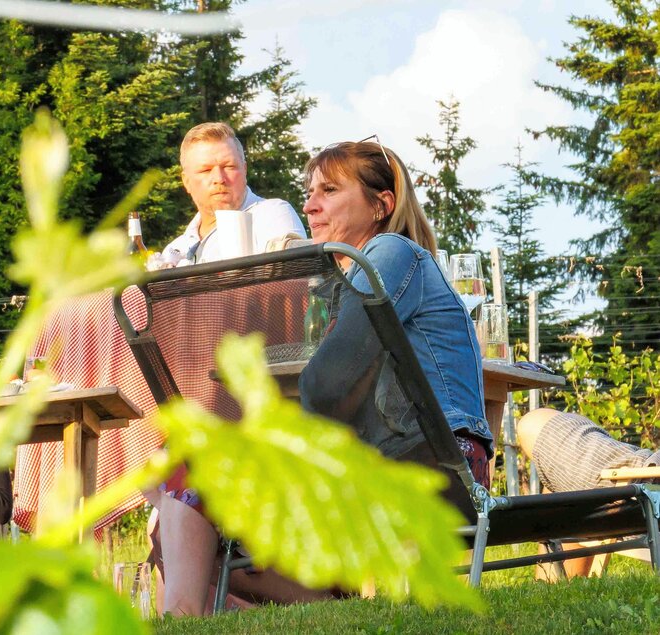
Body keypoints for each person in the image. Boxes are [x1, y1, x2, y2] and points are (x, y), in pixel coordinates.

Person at [153, 139, 492, 616]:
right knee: (187, 492)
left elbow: (325, 387)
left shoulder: (391, 254)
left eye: (329, 190)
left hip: (432, 463)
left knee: (198, 474)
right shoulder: (344, 281)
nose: (310, 205)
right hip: (391, 462)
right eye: (309, 191)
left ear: (382, 204)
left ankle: (185, 618)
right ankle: (327, 614)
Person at [516, 406, 660, 577]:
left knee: (533, 423)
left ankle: (550, 589)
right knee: (562, 493)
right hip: (643, 489)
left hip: (644, 486)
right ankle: (555, 588)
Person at [160, 122, 306, 265]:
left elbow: (293, 280)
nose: (219, 179)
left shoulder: (272, 215)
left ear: (245, 170)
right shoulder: (174, 251)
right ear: (186, 181)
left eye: (229, 166)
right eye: (205, 170)